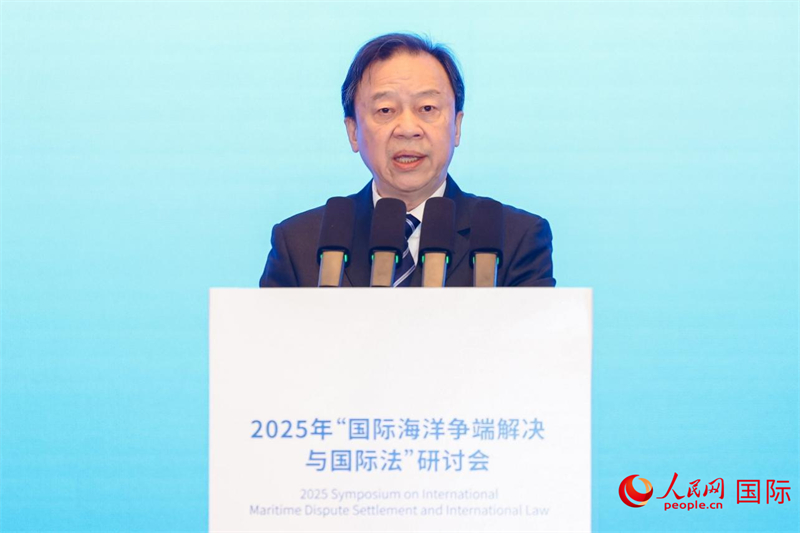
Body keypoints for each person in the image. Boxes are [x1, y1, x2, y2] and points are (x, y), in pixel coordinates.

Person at [259, 33, 555, 287]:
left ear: (456, 126)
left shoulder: (515, 238)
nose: (408, 129)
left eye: (427, 108)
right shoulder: (299, 243)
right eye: (385, 110)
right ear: (353, 132)